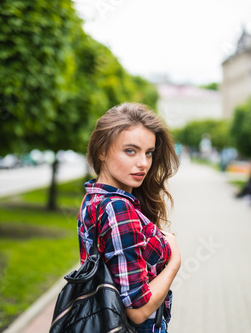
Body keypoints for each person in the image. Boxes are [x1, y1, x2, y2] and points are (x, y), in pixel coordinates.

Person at [77, 103, 181, 332]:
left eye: (149, 153)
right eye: (130, 151)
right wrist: (174, 261)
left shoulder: (93, 198)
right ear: (102, 151)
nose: (143, 163)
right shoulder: (117, 209)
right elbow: (137, 310)